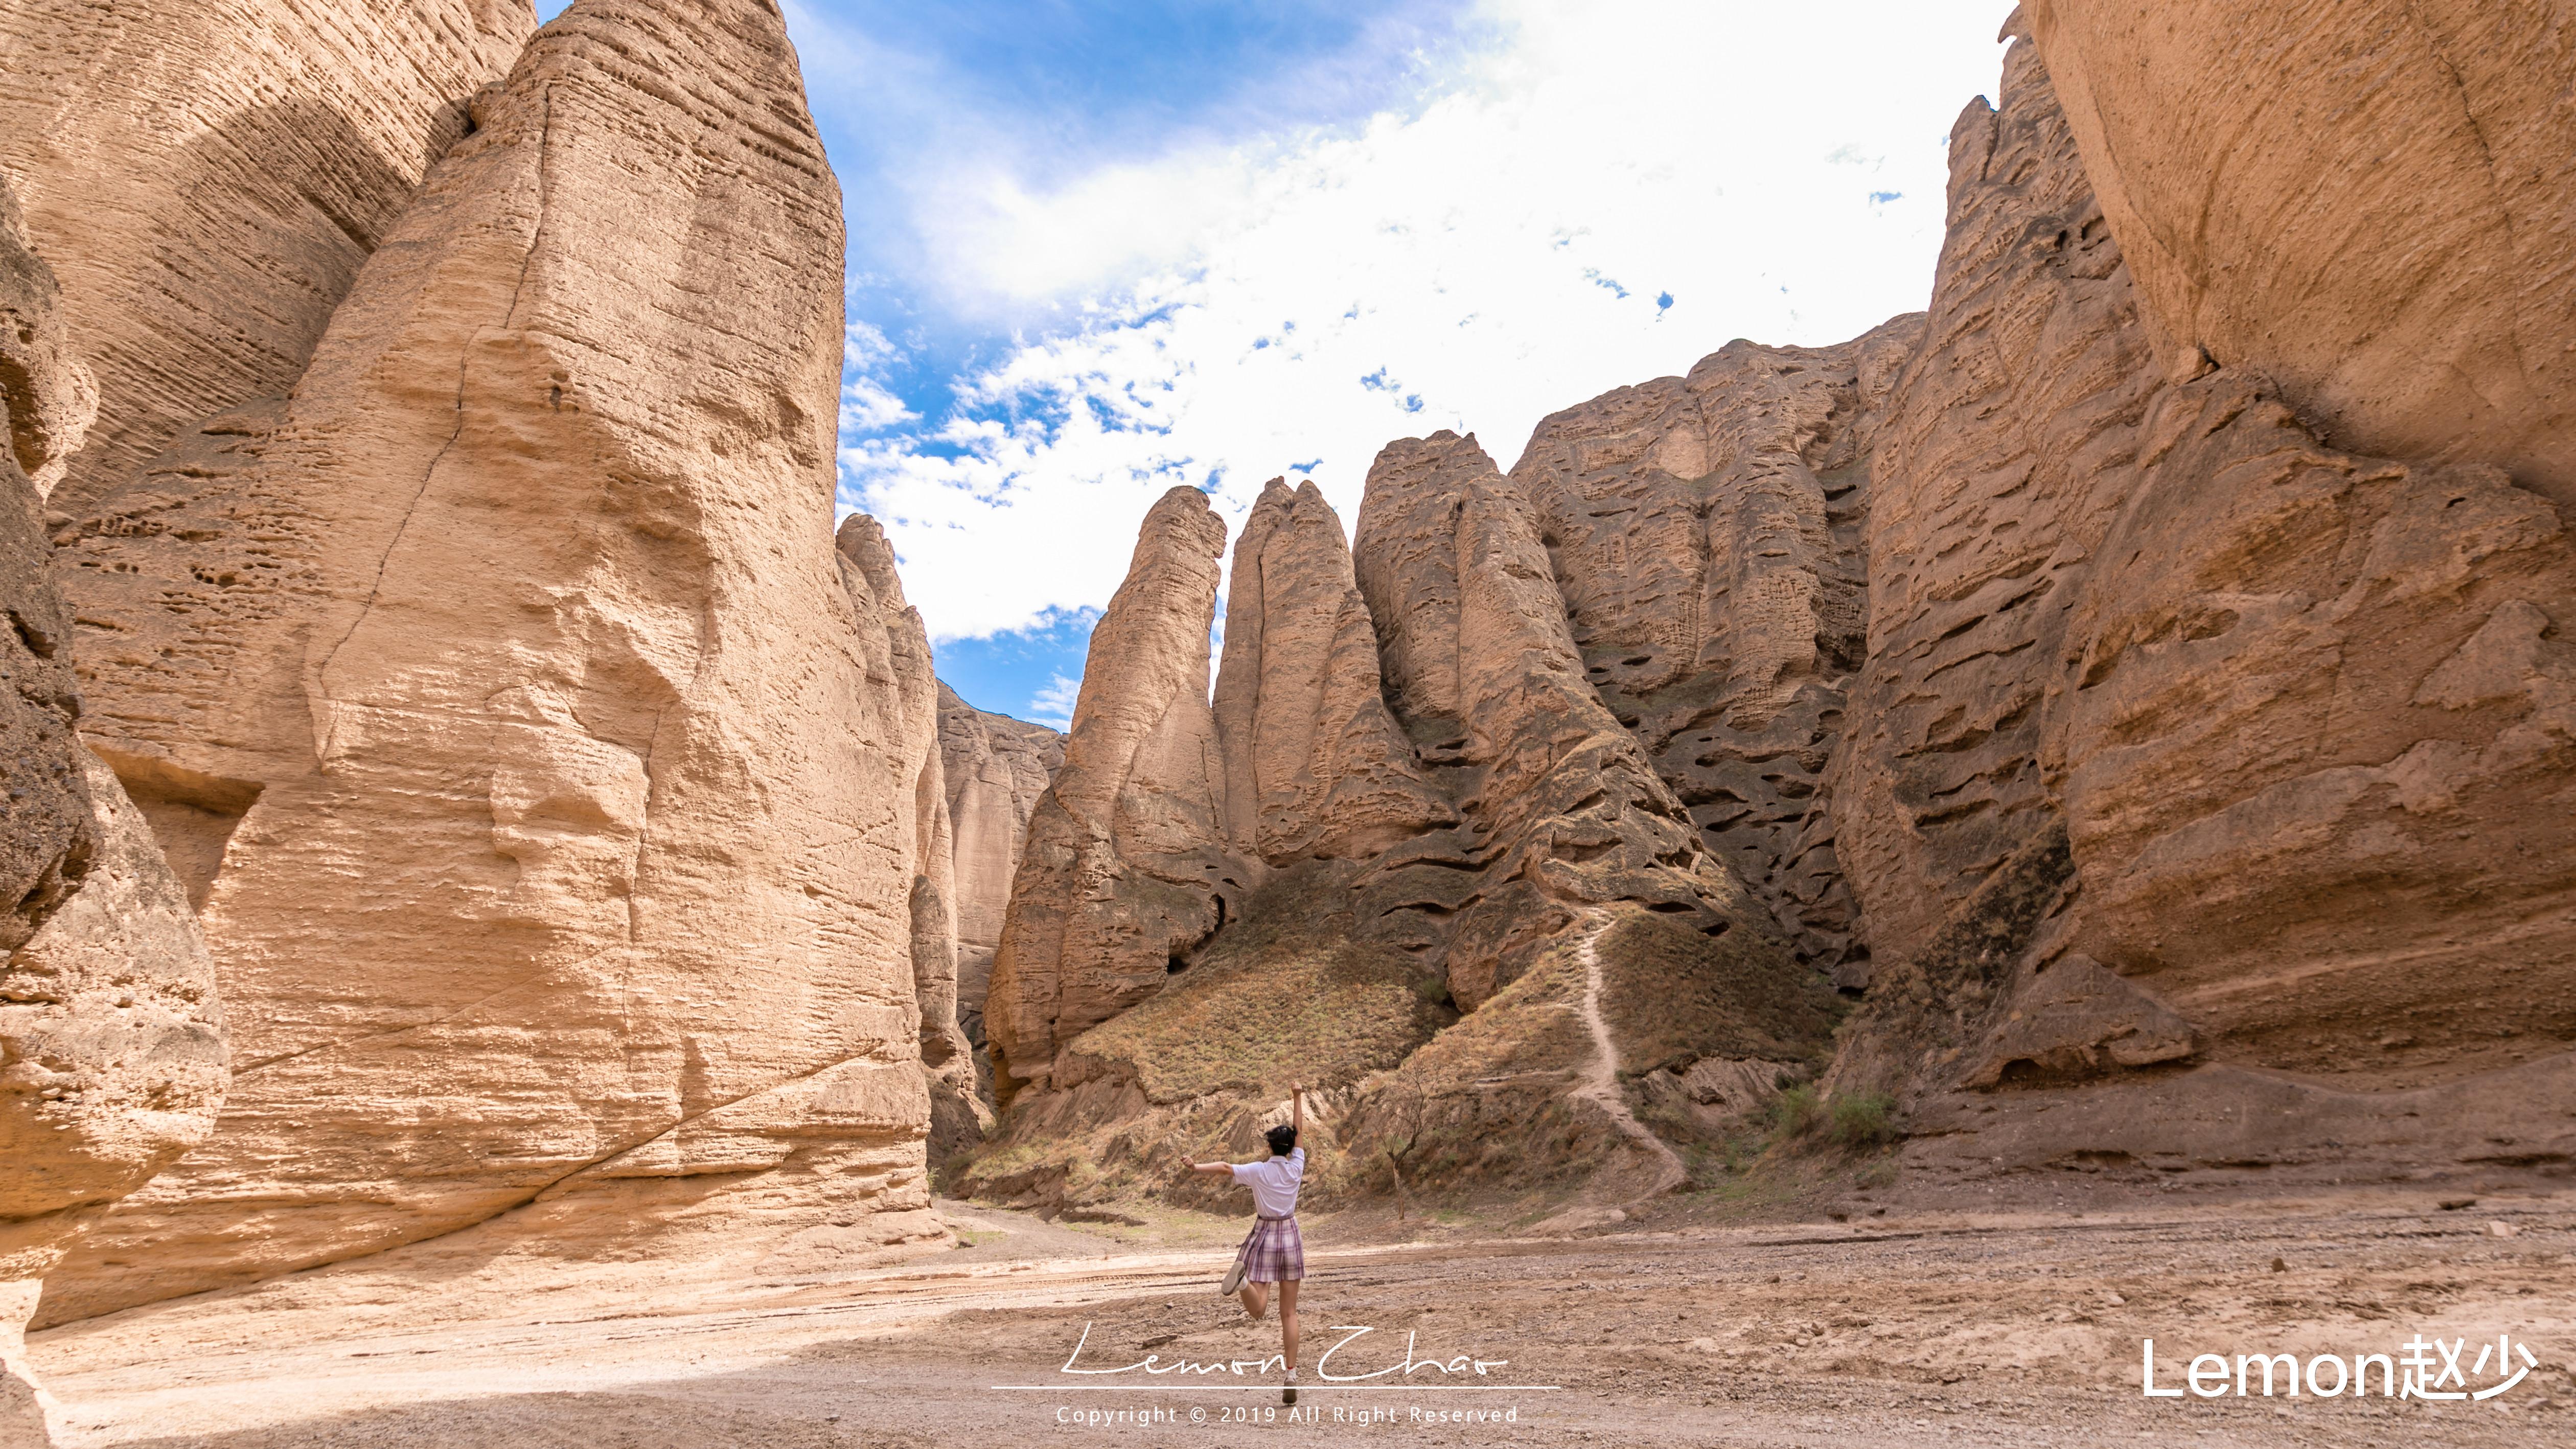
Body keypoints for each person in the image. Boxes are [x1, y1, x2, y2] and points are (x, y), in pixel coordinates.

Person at [1189, 1080, 1306, 1404]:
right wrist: (1298, 1096)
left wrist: (1196, 1166)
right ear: (1291, 1148)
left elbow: (1226, 1168)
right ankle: (1291, 1374)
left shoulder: (1258, 1171)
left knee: (1259, 1309)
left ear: (1270, 1148)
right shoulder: (1297, 1165)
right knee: (1290, 1313)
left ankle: (1243, 1284)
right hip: (1290, 1233)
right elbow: (1299, 1129)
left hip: (1265, 1233)